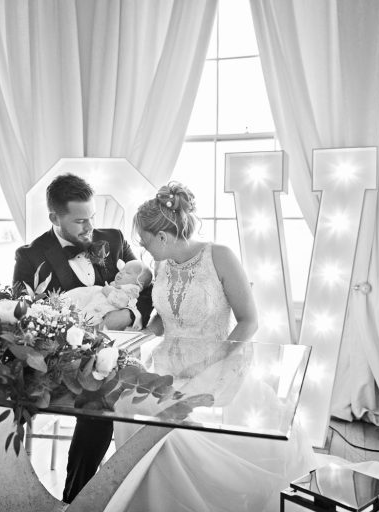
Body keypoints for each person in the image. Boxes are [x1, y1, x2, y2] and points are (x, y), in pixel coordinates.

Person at [107, 182, 316, 512]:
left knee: (174, 435)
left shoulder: (219, 257)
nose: (144, 250)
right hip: (166, 368)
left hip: (217, 366)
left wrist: (213, 361)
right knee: (129, 410)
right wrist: (144, 336)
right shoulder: (162, 266)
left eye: (145, 242)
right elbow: (165, 316)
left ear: (162, 237)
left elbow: (249, 320)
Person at [12, 173, 153, 503]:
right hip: (60, 362)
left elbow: (147, 288)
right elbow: (25, 314)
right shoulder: (30, 256)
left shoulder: (114, 239)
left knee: (106, 400)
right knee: (97, 401)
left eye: (92, 217)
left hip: (115, 357)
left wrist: (131, 315)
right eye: (79, 222)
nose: (90, 228)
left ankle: (75, 500)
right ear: (54, 218)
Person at [63, 260, 153, 329]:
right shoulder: (118, 286)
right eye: (122, 270)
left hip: (102, 318)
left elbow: (122, 302)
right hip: (93, 311)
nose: (121, 272)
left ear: (138, 285)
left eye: (128, 273)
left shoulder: (131, 291)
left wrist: (109, 293)